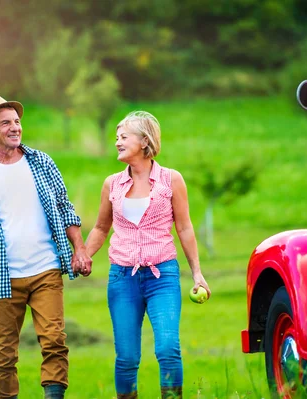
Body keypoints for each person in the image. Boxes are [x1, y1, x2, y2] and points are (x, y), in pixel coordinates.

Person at [0, 94, 92, 399]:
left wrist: (80, 249)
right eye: (6, 123)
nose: (15, 127)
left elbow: (65, 208)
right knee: (3, 355)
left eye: (17, 121)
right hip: (2, 276)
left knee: (54, 341)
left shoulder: (42, 162)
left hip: (46, 268)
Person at [85, 111, 211, 399]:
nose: (117, 142)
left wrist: (197, 273)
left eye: (123, 137)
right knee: (127, 358)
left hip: (162, 276)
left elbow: (185, 227)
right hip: (122, 278)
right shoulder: (111, 184)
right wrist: (85, 255)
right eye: (116, 137)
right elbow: (102, 228)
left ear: (144, 141)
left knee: (168, 349)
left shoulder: (171, 180)